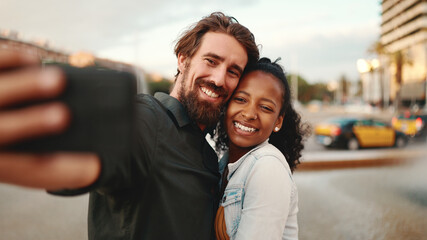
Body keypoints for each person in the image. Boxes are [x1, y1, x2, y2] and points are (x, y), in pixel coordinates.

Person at [0, 12, 259, 239]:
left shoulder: (208, 154)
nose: (219, 79)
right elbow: (99, 154)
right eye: (211, 61)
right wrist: (46, 145)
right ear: (182, 59)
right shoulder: (147, 120)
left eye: (233, 71)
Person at [213, 57, 308, 240]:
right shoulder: (225, 164)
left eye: (265, 107)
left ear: (278, 121)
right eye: (241, 99)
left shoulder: (267, 167)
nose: (249, 114)